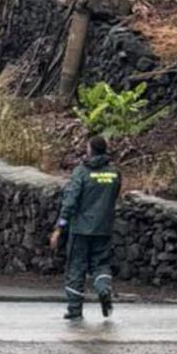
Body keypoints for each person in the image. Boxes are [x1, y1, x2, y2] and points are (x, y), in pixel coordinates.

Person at [49, 135, 122, 321]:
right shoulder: (114, 173)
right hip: (103, 228)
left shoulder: (81, 172)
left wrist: (59, 227)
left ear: (90, 150)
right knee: (101, 264)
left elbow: (70, 202)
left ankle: (74, 309)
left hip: (81, 229)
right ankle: (104, 289)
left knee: (76, 267)